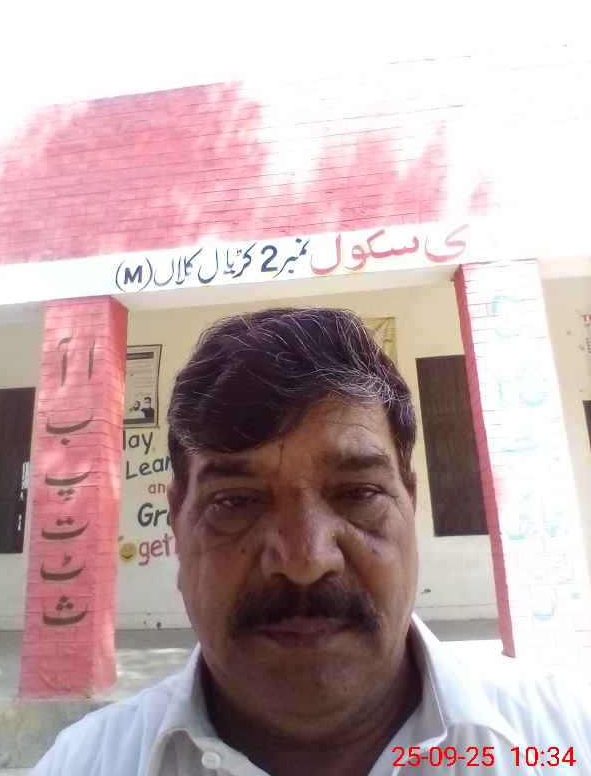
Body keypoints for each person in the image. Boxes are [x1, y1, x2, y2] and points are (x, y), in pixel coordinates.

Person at [32, 308, 590, 775]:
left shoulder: (565, 742)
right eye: (237, 501)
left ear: (410, 500)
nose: (305, 560)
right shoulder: (83, 764)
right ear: (179, 521)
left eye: (358, 493)